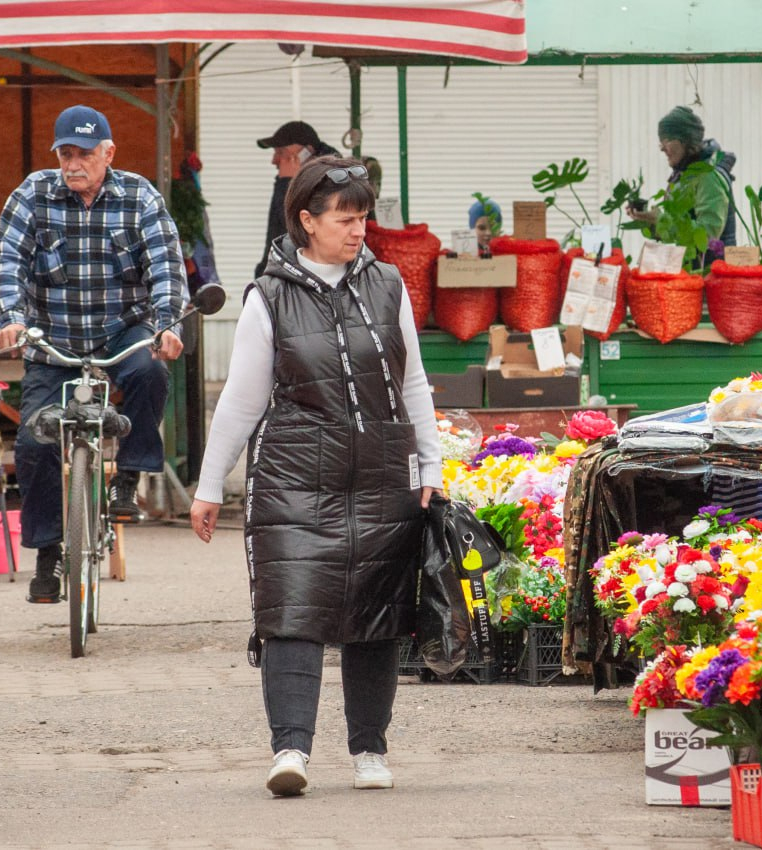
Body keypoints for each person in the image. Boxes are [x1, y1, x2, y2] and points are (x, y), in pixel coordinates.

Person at [189, 156, 442, 797]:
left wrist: (431, 464)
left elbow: (412, 381)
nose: (359, 229)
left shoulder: (387, 284)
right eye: (344, 218)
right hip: (296, 475)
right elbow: (242, 401)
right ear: (307, 220)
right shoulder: (268, 296)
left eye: (363, 217)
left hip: (383, 469)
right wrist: (210, 484)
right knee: (291, 610)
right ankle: (290, 751)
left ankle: (370, 752)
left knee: (377, 613)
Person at [0, 104, 188, 604]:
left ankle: (129, 476)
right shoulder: (32, 194)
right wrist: (11, 317)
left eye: (83, 154)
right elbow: (7, 261)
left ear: (109, 153)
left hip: (122, 333)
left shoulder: (139, 196)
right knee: (34, 444)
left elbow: (165, 266)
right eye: (65, 153)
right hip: (53, 341)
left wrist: (165, 324)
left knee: (149, 371)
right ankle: (47, 552)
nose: (73, 164)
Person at [628, 105, 737, 265]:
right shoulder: (685, 173)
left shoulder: (708, 176)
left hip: (710, 277)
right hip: (691, 274)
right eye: (661, 142)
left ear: (686, 141)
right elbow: (678, 231)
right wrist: (649, 221)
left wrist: (661, 219)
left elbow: (706, 236)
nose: (662, 148)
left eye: (667, 141)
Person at [254, 120, 339, 278]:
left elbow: (292, 229)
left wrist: (287, 184)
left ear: (306, 153)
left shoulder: (329, 185)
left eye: (281, 153)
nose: (274, 160)